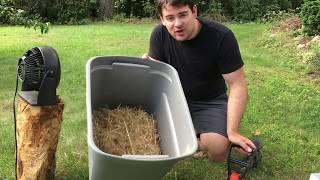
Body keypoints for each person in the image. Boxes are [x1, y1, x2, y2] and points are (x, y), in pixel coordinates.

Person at [143, 0, 256, 162]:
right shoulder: (159, 35)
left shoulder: (221, 36)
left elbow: (237, 85)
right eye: (170, 18)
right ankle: (193, 139)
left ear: (194, 11)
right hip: (174, 98)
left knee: (218, 151)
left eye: (183, 15)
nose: (177, 24)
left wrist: (232, 132)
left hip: (210, 101)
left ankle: (201, 139)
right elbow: (156, 77)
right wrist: (145, 67)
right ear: (162, 19)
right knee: (154, 135)